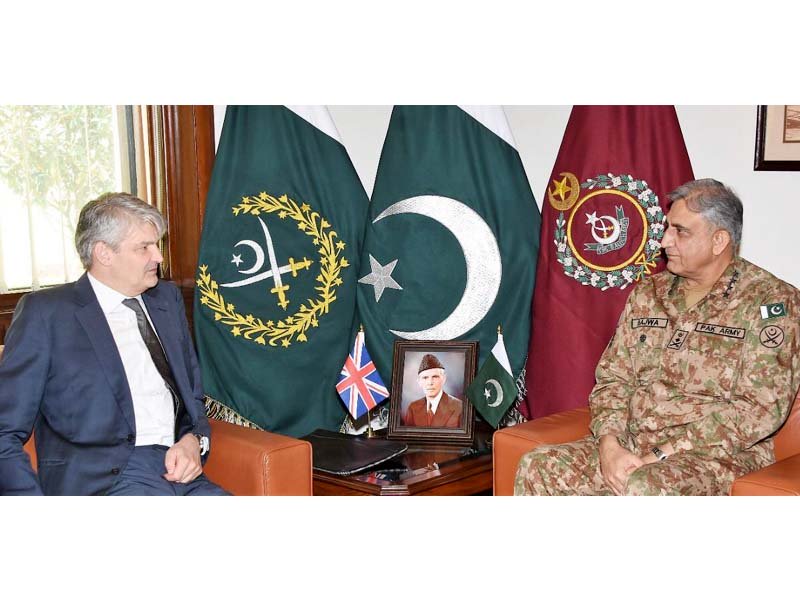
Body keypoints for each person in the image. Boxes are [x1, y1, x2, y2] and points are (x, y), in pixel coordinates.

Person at [515, 179, 800, 495]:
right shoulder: (650, 293)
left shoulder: (771, 302)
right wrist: (610, 445)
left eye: (681, 231)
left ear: (719, 240)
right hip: (635, 445)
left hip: (719, 457)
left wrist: (662, 454)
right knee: (538, 464)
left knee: (646, 485)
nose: (664, 241)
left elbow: (758, 411)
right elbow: (613, 380)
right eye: (667, 229)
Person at [0, 192, 228, 495]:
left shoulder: (166, 301)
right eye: (144, 247)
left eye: (156, 245)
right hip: (104, 482)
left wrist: (193, 441)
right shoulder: (47, 312)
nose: (158, 257)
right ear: (104, 253)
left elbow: (193, 398)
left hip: (179, 475)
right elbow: (5, 430)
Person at [402, 353, 463, 428]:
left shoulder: (457, 407)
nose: (430, 382)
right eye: (425, 378)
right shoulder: (412, 408)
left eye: (434, 377)